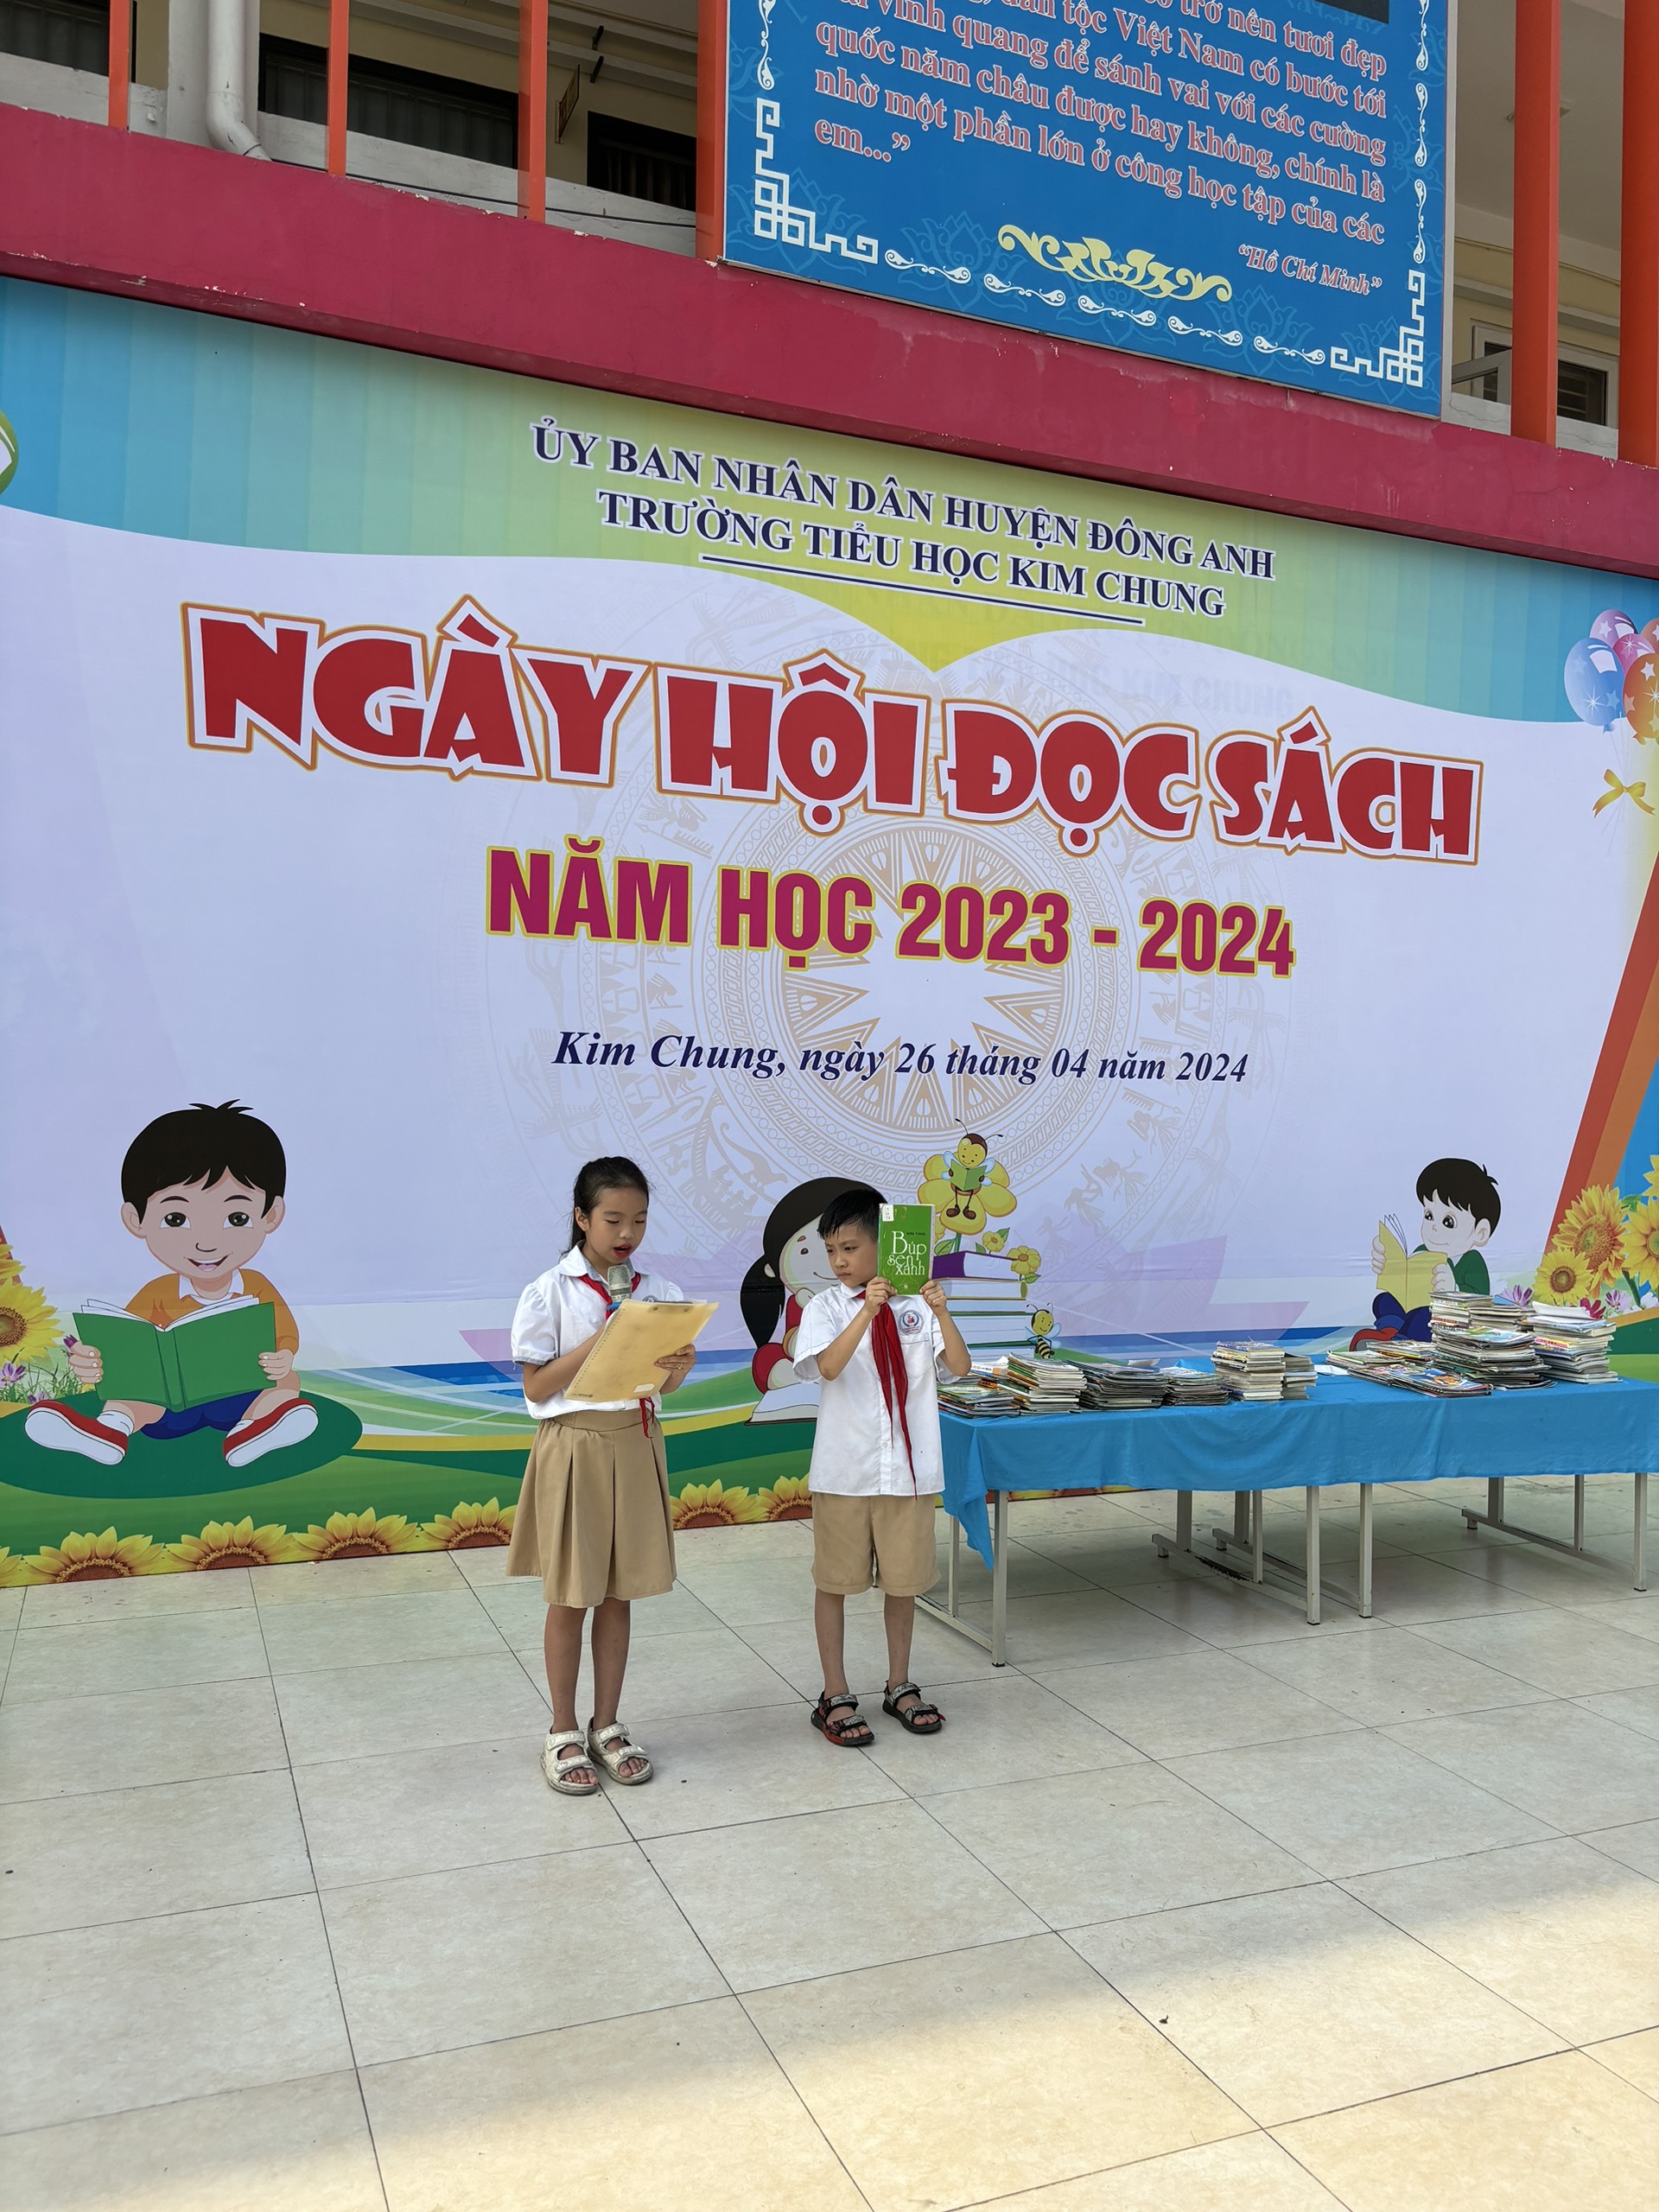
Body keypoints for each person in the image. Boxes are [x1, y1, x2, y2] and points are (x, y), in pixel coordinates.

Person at [507, 1156, 697, 1796]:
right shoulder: (549, 1291)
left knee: (620, 1592)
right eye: (613, 1219)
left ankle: (607, 1724)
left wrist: (678, 1364)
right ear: (582, 1218)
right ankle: (562, 1729)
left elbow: (666, 1384)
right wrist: (604, 1339)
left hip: (636, 1444)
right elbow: (536, 1387)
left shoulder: (659, 1291)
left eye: (639, 1220)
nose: (627, 1233)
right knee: (572, 1594)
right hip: (575, 1447)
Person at [25, 1101, 316, 1469]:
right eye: (176, 1218)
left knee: (286, 1382)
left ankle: (252, 1431)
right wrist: (91, 1359)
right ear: (136, 1220)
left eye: (236, 1217)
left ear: (271, 1215)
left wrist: (282, 1357)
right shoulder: (157, 1293)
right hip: (165, 1410)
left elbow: (285, 1335)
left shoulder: (256, 1286)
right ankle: (111, 1429)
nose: (207, 1242)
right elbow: (123, 1345)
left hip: (243, 1396)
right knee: (133, 1394)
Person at [791, 1185, 972, 1746]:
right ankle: (834, 1692)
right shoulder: (825, 1307)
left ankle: (899, 1684)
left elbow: (959, 1367)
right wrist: (866, 1311)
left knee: (903, 1582)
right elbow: (826, 1367)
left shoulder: (917, 1306)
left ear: (884, 1245)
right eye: (831, 1251)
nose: (839, 1261)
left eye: (849, 1248)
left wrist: (940, 1310)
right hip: (845, 1471)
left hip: (908, 1474)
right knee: (835, 1582)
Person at [1363, 1157, 1501, 1344]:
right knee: (1385, 1300)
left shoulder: (1472, 1261)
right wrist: (1389, 1265)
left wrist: (1454, 1290)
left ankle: (1401, 1341)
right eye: (1429, 1216)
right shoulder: (1423, 1251)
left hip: (1448, 1320)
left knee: (1425, 1316)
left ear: (1480, 1232)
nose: (1434, 1227)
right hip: (1412, 1308)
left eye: (1448, 1222)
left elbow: (1480, 1302)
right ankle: (1387, 1333)